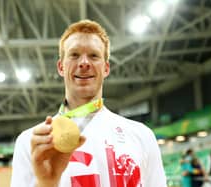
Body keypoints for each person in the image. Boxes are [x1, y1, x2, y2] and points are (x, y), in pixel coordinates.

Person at [10, 19, 167, 187]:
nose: (84, 63)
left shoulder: (142, 136)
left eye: (93, 55)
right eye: (74, 55)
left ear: (106, 68)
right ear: (61, 67)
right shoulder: (32, 143)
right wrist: (46, 182)